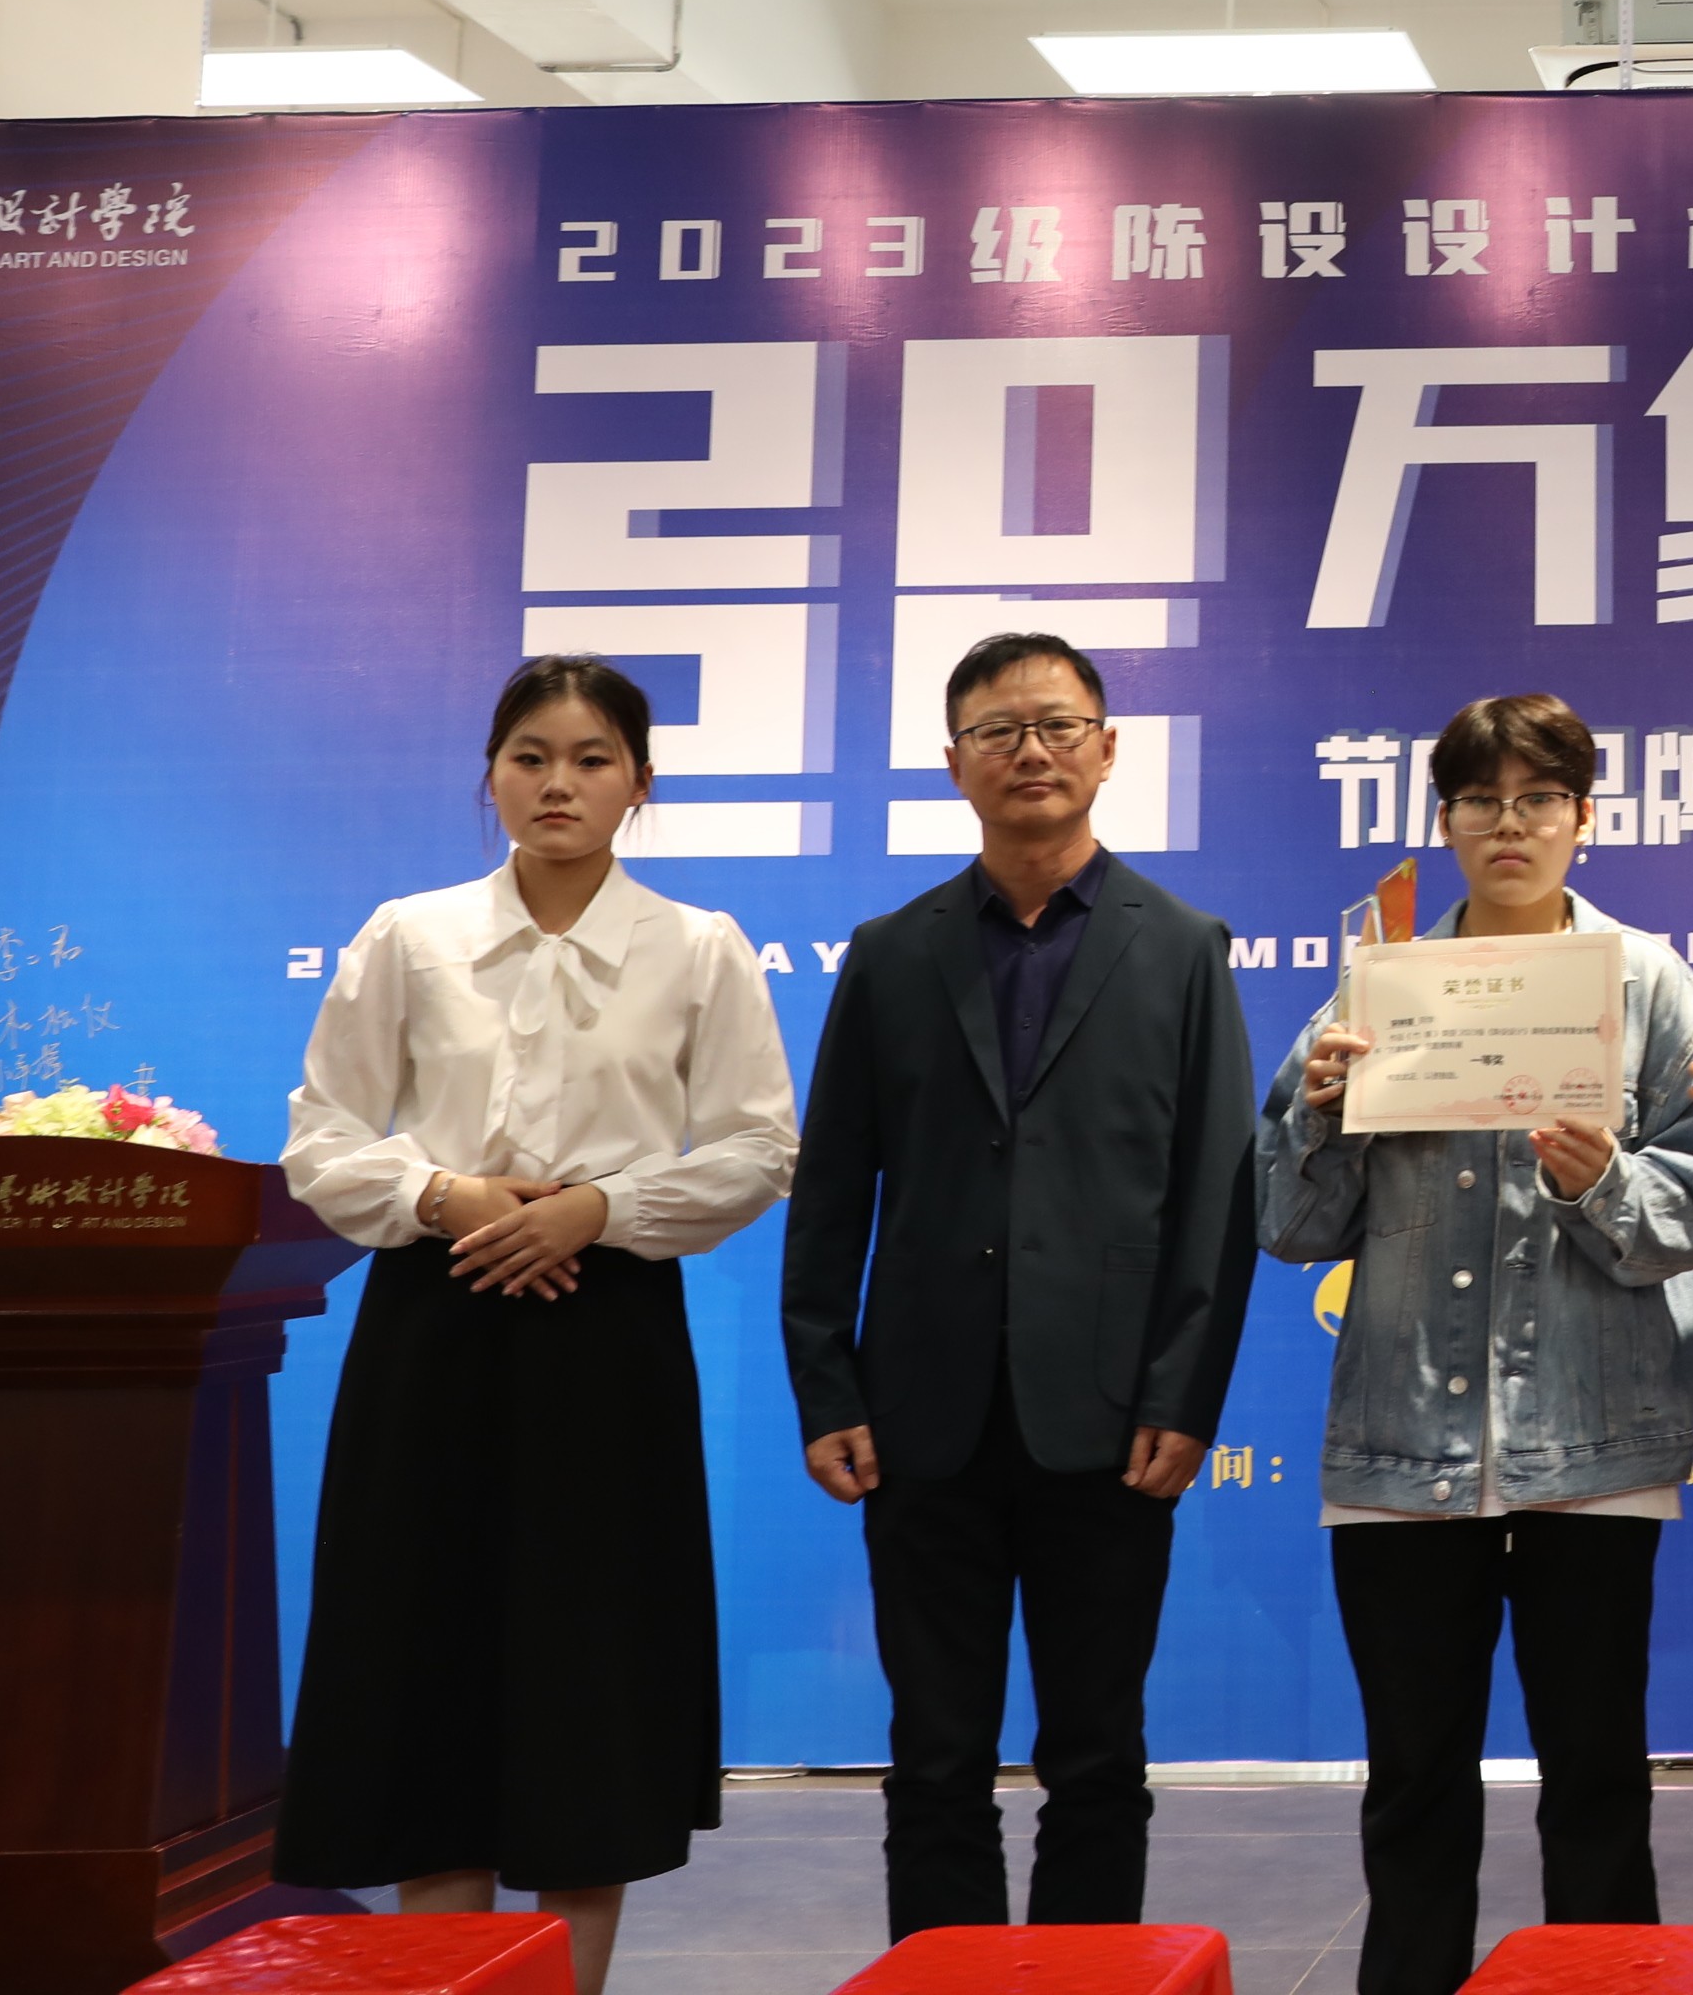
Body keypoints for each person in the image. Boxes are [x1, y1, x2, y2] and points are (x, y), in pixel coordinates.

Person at [278, 656, 800, 1995]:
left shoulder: (699, 947)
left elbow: (758, 1149)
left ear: (640, 783)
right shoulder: (410, 935)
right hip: (434, 1320)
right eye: (530, 757)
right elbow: (321, 1138)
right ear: (492, 776)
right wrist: (441, 1194)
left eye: (590, 758)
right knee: (424, 1666)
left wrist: (601, 1209)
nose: (558, 784)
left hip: (603, 1331)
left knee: (590, 1677)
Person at [780, 629, 1261, 1937]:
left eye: (1057, 725)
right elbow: (832, 1190)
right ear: (956, 765)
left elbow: (1217, 1197)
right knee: (934, 1757)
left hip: (1108, 1421)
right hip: (920, 1415)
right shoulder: (892, 952)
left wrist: (1184, 1397)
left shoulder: (1182, 947)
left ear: (1108, 751)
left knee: (1097, 1756)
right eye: (999, 731)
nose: (1031, 751)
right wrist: (828, 1385)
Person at [1256, 693, 1693, 1995]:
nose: (1508, 824)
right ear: (1448, 820)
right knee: (1413, 1782)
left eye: (1538, 799)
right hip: (1404, 1448)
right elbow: (1290, 1227)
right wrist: (1323, 1111)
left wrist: (1600, 1180)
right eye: (1479, 800)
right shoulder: (1379, 985)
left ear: (1585, 817)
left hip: (1594, 1444)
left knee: (1597, 1777)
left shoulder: (1650, 985)